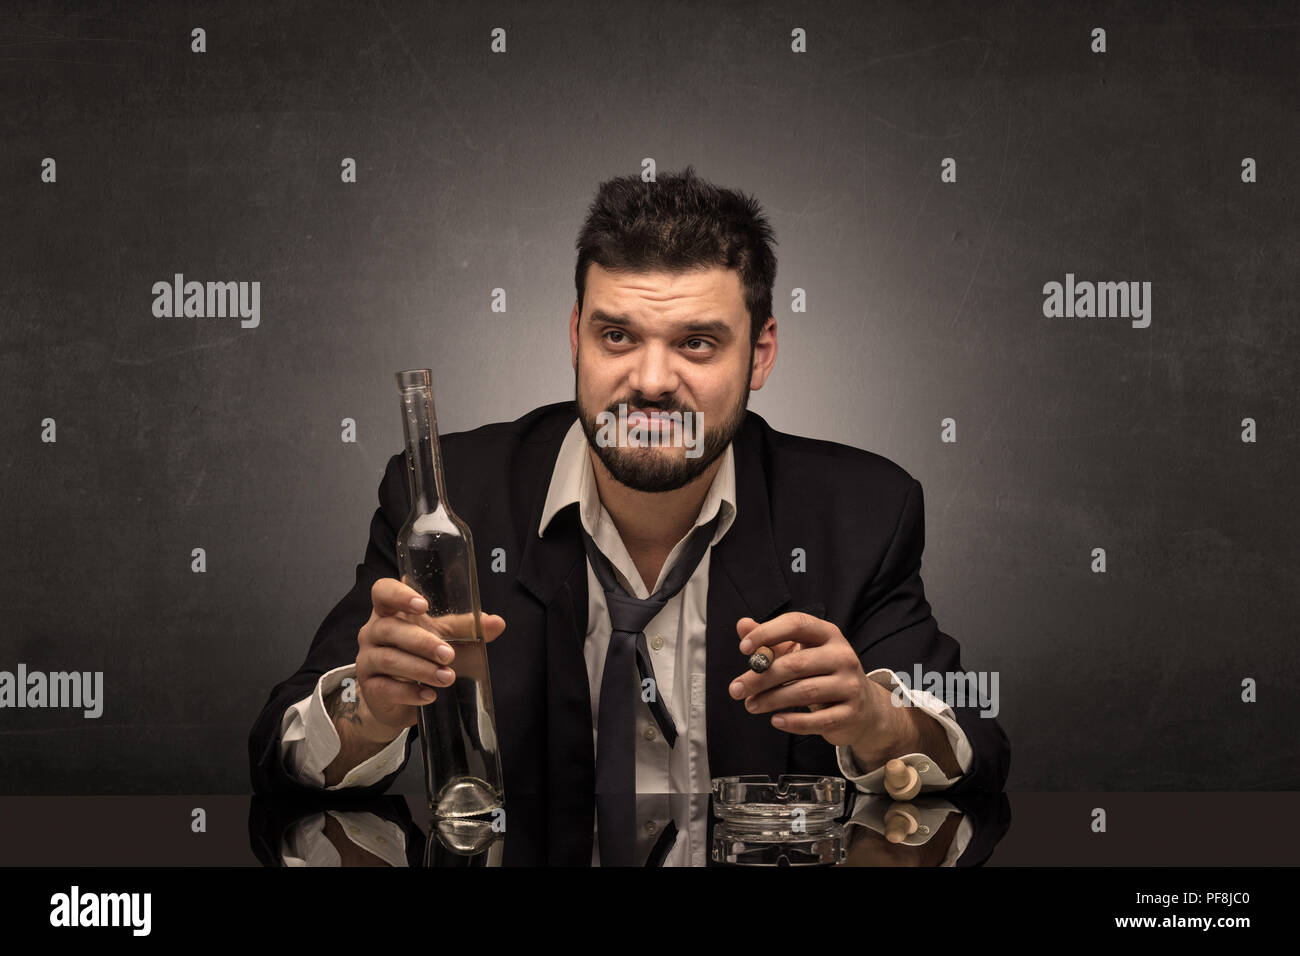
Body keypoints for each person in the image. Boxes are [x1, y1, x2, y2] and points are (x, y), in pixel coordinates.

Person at [249, 168, 1011, 839]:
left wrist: (879, 724)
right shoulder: (450, 498)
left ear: (762, 353)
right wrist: (370, 710)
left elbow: (973, 749)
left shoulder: (860, 510)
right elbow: (283, 757)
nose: (651, 380)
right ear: (576, 337)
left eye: (698, 344)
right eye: (617, 336)